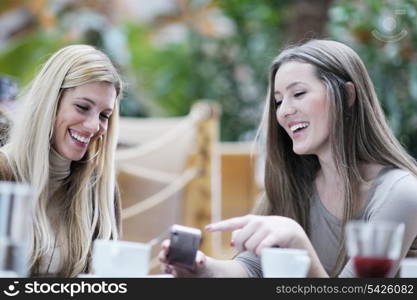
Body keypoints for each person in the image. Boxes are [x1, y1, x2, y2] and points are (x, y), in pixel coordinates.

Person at [159, 39, 417, 277]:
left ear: (348, 96)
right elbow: (252, 268)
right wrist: (202, 268)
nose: (284, 112)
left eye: (299, 94)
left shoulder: (400, 192)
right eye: (278, 101)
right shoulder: (295, 181)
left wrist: (297, 243)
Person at [0, 44, 123, 277]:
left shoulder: (100, 192)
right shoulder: (3, 175)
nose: (94, 126)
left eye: (104, 116)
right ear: (50, 101)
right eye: (82, 107)